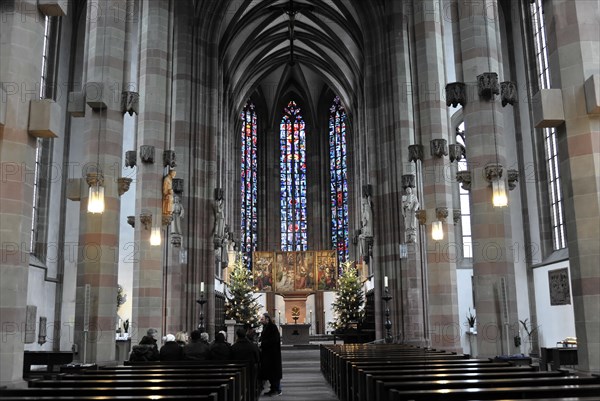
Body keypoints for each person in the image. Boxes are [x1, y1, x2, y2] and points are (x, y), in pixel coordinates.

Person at [230, 328, 260, 398]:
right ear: (245, 335)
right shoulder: (252, 346)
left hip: (237, 371)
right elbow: (257, 358)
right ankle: (252, 397)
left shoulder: (233, 347)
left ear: (237, 336)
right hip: (251, 369)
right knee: (251, 384)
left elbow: (230, 359)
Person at [259, 313, 282, 396]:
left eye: (262, 319)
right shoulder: (266, 327)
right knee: (271, 373)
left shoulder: (272, 327)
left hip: (273, 354)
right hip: (268, 354)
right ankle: (273, 389)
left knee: (274, 373)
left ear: (267, 319)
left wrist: (262, 343)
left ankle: (277, 389)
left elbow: (274, 340)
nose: (261, 321)